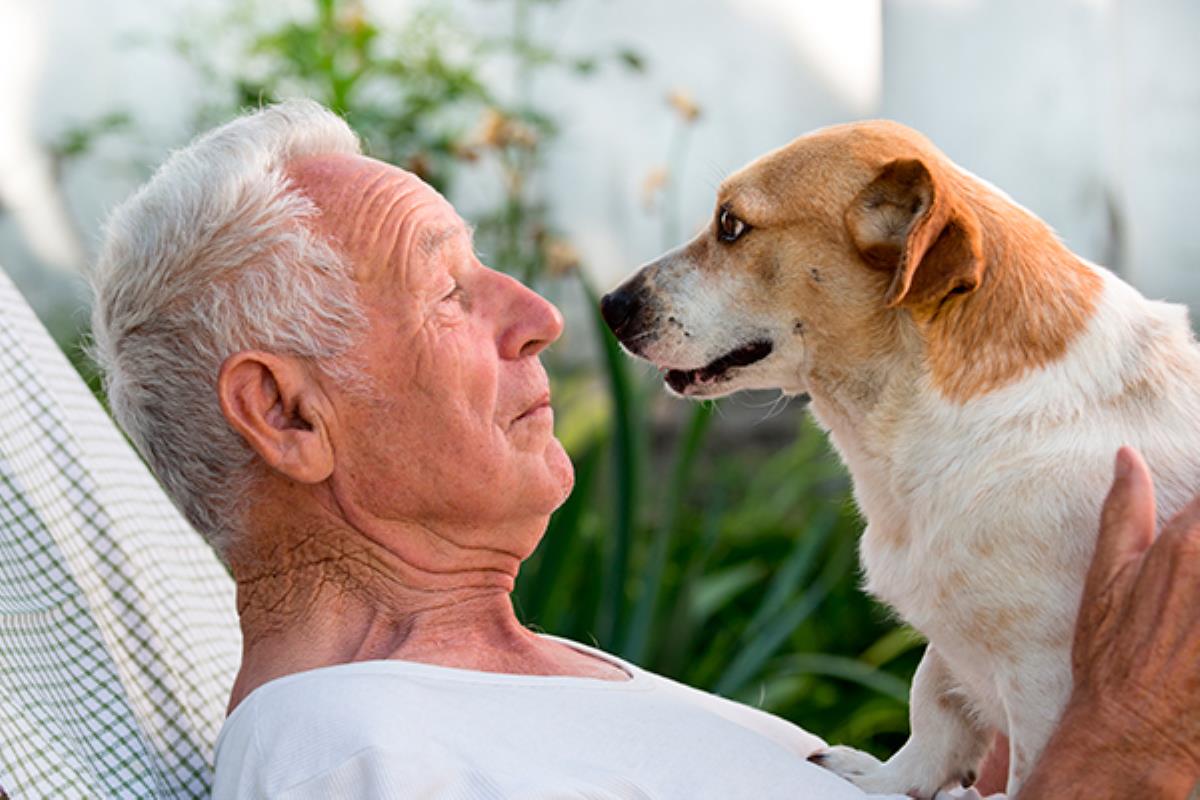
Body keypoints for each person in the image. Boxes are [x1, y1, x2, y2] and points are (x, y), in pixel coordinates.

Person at [88, 100, 1200, 799]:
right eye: (448, 290)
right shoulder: (349, 749)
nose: (540, 313)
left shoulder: (537, 691)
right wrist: (1122, 755)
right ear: (287, 415)